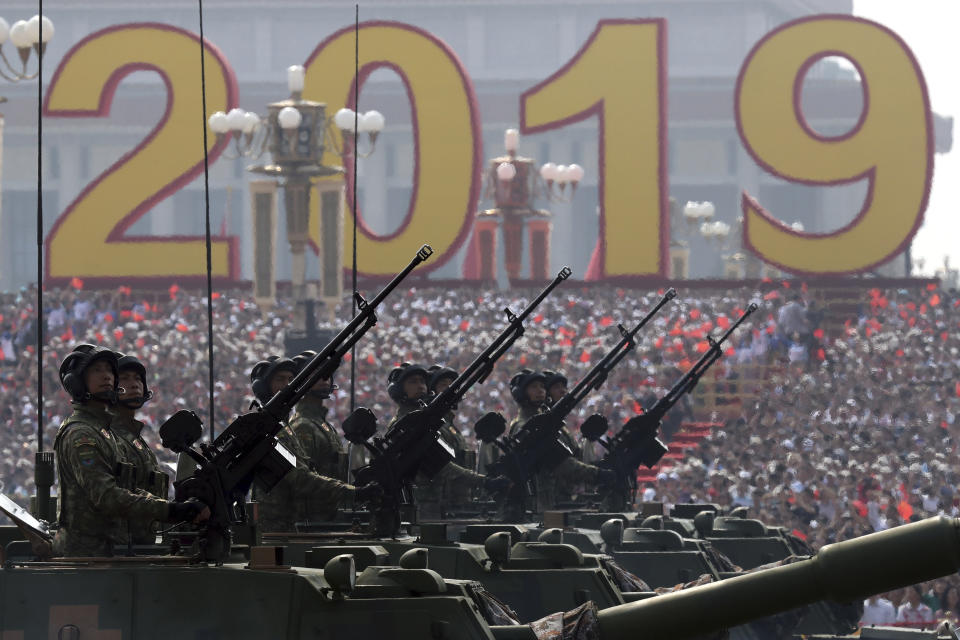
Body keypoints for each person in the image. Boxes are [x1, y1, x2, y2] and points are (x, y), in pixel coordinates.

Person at [53, 344, 209, 556]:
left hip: (107, 554)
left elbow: (128, 487)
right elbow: (107, 496)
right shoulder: (82, 435)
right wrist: (170, 510)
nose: (107, 376)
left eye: (109, 370)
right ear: (77, 382)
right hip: (87, 558)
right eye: (97, 370)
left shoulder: (102, 432)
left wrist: (173, 508)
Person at [248, 356, 377, 532]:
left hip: (294, 525)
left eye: (291, 380)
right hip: (278, 528)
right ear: (264, 387)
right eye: (280, 379)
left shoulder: (286, 428)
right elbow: (300, 478)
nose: (287, 385)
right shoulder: (276, 431)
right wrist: (353, 493)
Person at [386, 363, 504, 520]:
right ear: (399, 389)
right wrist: (484, 482)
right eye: (413, 382)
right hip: (424, 508)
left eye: (422, 381)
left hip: (441, 504)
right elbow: (441, 466)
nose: (420, 386)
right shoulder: (405, 424)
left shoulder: (424, 420)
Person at [505, 369, 613, 515]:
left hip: (554, 500)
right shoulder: (525, 426)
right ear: (521, 393)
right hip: (540, 504)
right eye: (534, 387)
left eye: (542, 387)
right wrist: (598, 475)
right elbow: (561, 464)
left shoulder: (543, 423)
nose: (540, 391)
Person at [110, 352, 170, 545]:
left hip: (141, 547)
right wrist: (170, 510)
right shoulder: (108, 436)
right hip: (119, 551)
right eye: (125, 379)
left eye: (138, 379)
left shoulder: (136, 440)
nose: (134, 384)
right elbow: (115, 495)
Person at [289, 350, 348, 481]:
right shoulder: (302, 426)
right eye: (316, 374)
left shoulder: (323, 424)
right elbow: (304, 481)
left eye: (326, 373)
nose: (324, 378)